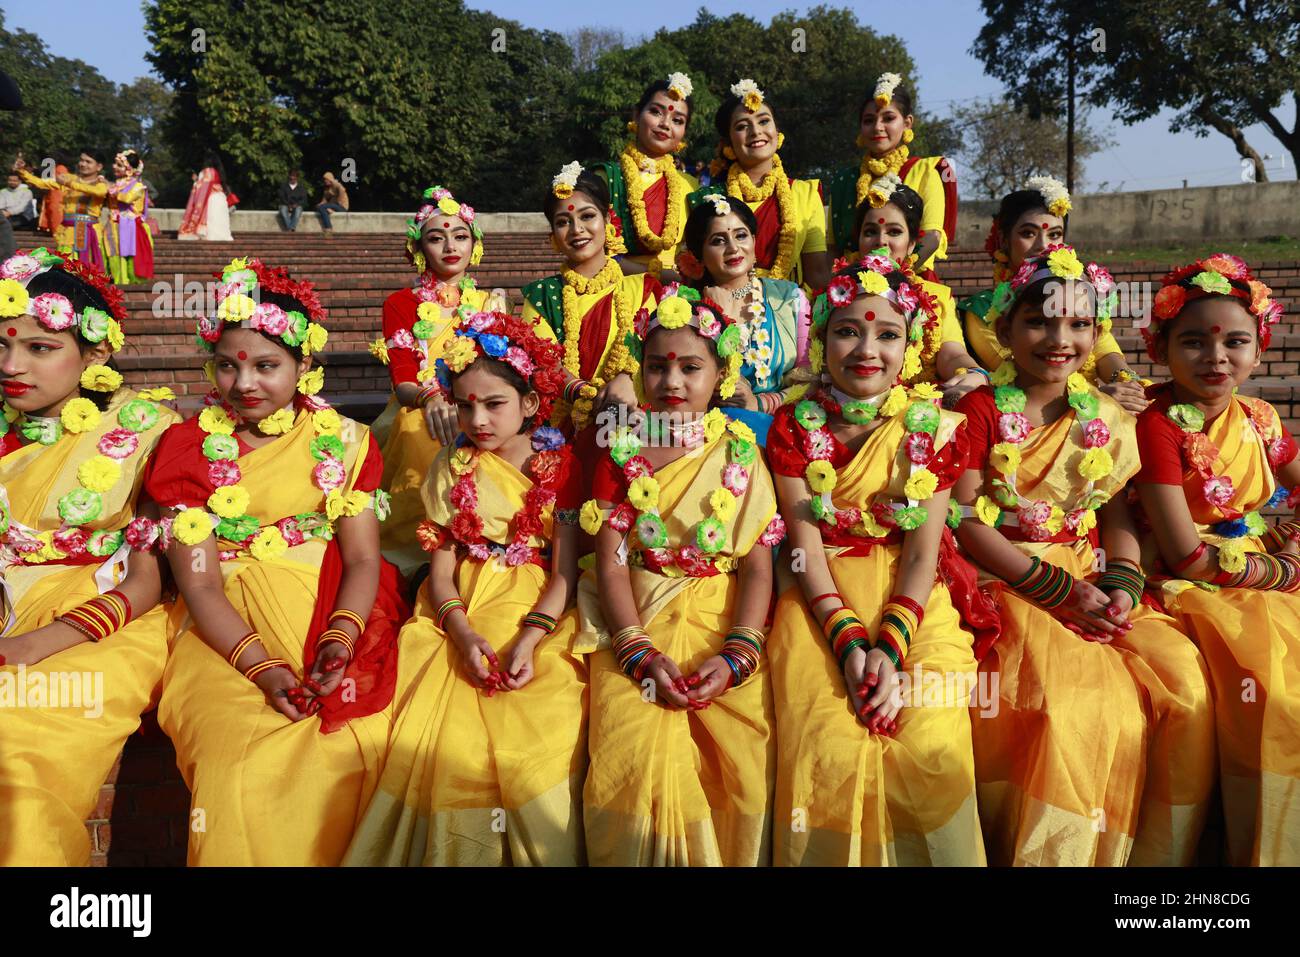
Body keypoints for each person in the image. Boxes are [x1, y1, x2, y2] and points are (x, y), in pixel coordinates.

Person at [951, 246, 1214, 866]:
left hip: (1092, 575)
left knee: (1185, 685)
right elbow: (963, 522)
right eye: (1039, 321)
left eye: (1078, 325)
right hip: (1009, 577)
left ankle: (1150, 865)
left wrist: (1123, 582)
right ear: (1006, 329)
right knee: (1071, 706)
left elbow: (1115, 511)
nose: (1058, 339)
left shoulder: (1102, 413)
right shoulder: (980, 408)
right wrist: (1056, 591)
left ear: (1096, 334)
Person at [142, 257, 409, 865]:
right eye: (229, 366)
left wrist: (341, 640)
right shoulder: (187, 446)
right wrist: (262, 669)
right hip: (222, 632)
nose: (245, 384)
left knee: (366, 740)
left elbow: (364, 559)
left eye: (266, 366)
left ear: (304, 366)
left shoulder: (344, 438)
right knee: (235, 762)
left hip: (328, 603)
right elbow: (200, 584)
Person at [765, 258, 990, 866]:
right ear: (820, 339)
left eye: (888, 334)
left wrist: (888, 649)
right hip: (818, 596)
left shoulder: (937, 427)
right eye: (847, 331)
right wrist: (847, 644)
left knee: (930, 746)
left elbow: (923, 550)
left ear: (911, 344)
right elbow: (802, 544)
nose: (867, 349)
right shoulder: (792, 424)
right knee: (828, 742)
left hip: (913, 599)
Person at [345, 311, 588, 866]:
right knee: (440, 741)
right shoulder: (450, 466)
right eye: (464, 404)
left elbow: (566, 573)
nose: (477, 419)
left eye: (494, 403)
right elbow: (441, 567)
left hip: (538, 604)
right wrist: (460, 631)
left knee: (533, 745)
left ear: (529, 404)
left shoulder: (561, 466)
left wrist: (528, 639)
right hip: (459, 608)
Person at [576, 290, 786, 865]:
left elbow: (757, 565)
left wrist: (738, 654)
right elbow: (611, 559)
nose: (672, 380)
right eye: (657, 365)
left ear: (721, 374)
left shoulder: (741, 447)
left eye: (691, 367)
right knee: (630, 753)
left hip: (723, 623)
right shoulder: (618, 449)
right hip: (633, 616)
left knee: (738, 766)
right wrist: (635, 650)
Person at [0, 247, 179, 864]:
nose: (11, 366)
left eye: (39, 349)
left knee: (17, 750)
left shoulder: (148, 432)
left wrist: (31, 646)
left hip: (101, 622)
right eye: (1, 345)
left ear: (97, 354)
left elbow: (146, 584)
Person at [1133, 254, 1300, 865]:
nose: (1216, 356)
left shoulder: (1258, 417)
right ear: (1162, 348)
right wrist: (1286, 572)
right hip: (1193, 588)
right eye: (1195, 341)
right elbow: (1188, 556)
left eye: (1236, 341)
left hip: (1259, 574)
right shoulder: (1157, 425)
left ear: (1259, 350)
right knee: (1278, 699)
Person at [369, 185, 515, 580]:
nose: (450, 245)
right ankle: (421, 553)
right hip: (418, 406)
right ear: (419, 249)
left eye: (460, 235)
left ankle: (492, 538)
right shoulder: (400, 303)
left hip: (479, 405)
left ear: (475, 245)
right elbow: (402, 381)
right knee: (419, 430)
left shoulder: (492, 303)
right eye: (436, 237)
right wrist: (432, 397)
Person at [958, 177, 1148, 414]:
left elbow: (1106, 351)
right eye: (1028, 233)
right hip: (1026, 411)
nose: (1043, 246)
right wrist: (1099, 397)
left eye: (1054, 235)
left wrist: (1125, 383)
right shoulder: (983, 308)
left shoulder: (1076, 295)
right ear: (1004, 240)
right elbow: (1025, 369)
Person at [522, 165, 658, 491]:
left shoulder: (643, 288)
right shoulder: (542, 295)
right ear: (552, 235)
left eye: (587, 216)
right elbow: (543, 362)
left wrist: (625, 379)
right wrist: (587, 394)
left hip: (634, 416)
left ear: (608, 220)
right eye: (563, 222)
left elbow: (653, 349)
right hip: (564, 426)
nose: (577, 229)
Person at [678, 195, 808, 445]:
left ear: (754, 241)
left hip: (783, 429)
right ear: (699, 256)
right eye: (718, 241)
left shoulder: (789, 298)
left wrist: (759, 403)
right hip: (708, 433)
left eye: (740, 235)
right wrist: (717, 314)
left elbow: (812, 380)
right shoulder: (685, 307)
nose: (733, 248)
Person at [850, 178, 987, 403]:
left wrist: (973, 371)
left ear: (912, 243)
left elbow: (951, 353)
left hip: (918, 408)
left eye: (894, 232)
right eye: (870, 231)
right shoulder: (837, 294)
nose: (881, 241)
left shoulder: (936, 297)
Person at [688, 79, 830, 292]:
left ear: (777, 131)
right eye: (742, 126)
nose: (755, 131)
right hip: (724, 313)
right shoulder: (709, 198)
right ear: (728, 144)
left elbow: (817, 273)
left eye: (764, 121)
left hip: (788, 310)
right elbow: (697, 273)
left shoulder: (805, 193)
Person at [826, 72, 956, 274]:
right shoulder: (844, 182)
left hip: (911, 288)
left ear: (907, 123)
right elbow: (833, 249)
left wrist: (894, 277)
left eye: (888, 118)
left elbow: (932, 237)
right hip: (849, 288)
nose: (877, 127)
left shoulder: (923, 172)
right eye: (869, 120)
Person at [594, 75, 699, 279]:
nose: (665, 124)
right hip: (615, 289)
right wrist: (658, 275)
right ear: (636, 114)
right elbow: (592, 252)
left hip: (679, 298)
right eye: (655, 112)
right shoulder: (606, 178)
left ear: (684, 132)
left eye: (677, 120)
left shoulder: (690, 185)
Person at [14, 152, 108, 268]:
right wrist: (22, 172)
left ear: (99, 166)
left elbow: (100, 192)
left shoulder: (100, 184)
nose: (83, 164)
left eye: (88, 162)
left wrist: (69, 183)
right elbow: (42, 183)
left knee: (89, 269)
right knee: (66, 267)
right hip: (67, 232)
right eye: (81, 160)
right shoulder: (69, 179)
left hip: (89, 232)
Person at [99, 150, 153, 285]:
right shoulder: (116, 184)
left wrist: (108, 187)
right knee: (112, 253)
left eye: (119, 165)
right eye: (115, 164)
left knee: (127, 255)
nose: (114, 166)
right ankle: (115, 280)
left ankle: (126, 282)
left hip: (130, 227)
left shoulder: (138, 186)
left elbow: (127, 198)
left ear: (129, 169)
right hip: (113, 224)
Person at [176, 159, 232, 242]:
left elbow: (203, 185)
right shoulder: (220, 172)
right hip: (221, 197)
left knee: (211, 218)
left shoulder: (207, 171)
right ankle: (222, 236)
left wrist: (195, 181)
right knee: (219, 219)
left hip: (211, 198)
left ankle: (209, 235)